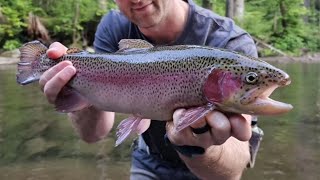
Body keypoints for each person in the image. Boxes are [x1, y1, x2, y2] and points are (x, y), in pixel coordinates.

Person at [40, 0, 263, 179]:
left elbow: (233, 172)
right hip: (149, 161)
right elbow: (94, 134)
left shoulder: (228, 41)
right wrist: (76, 89)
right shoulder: (114, 25)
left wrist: (193, 146)